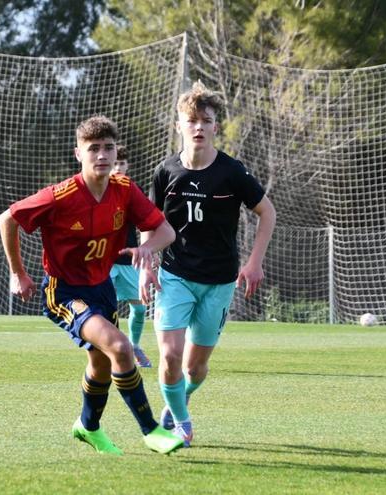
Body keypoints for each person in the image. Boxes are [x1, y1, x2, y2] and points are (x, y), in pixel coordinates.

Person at [0, 115, 184, 456]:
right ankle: (151, 430)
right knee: (121, 347)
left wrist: (146, 248)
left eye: (108, 148)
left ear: (117, 153)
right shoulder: (60, 196)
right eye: (94, 148)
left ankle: (88, 427)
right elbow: (8, 218)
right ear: (78, 154)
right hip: (64, 292)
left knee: (101, 363)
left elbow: (167, 233)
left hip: (102, 290)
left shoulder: (124, 190)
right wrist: (17, 273)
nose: (102, 155)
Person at [142, 81, 276, 447]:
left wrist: (254, 263)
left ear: (216, 127)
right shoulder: (165, 171)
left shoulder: (232, 172)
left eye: (207, 120)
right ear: (179, 126)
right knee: (169, 356)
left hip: (219, 281)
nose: (199, 127)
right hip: (175, 276)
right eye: (192, 120)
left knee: (194, 368)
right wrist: (146, 264)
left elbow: (267, 212)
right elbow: (149, 220)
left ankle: (179, 401)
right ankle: (181, 423)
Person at [108, 144, 152, 368]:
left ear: (128, 166)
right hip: (104, 261)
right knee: (106, 307)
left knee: (140, 307)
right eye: (114, 163)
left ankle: (134, 346)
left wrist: (147, 257)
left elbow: (147, 224)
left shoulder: (134, 192)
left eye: (121, 164)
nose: (117, 167)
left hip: (128, 260)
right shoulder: (98, 189)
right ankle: (111, 349)